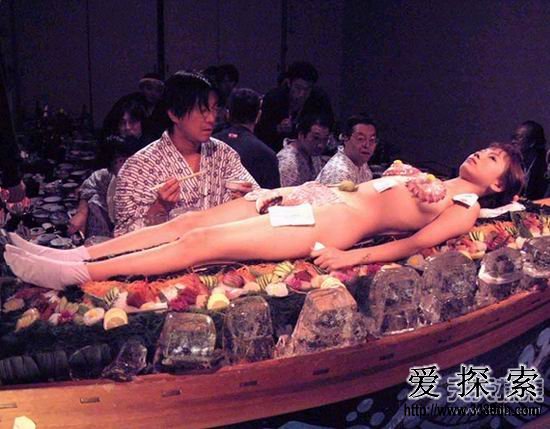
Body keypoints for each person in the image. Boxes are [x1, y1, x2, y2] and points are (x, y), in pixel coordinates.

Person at [4, 143, 524, 290]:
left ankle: (79, 273)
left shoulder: (464, 206)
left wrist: (348, 256)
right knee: (187, 222)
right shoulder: (432, 177)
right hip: (310, 195)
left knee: (203, 243)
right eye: (485, 148)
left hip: (332, 224)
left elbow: (412, 245)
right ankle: (74, 253)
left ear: (499, 184)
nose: (481, 154)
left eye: (494, 159)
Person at [113, 71, 258, 236]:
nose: (211, 118)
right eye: (202, 110)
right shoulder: (138, 167)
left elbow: (259, 199)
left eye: (214, 109)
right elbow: (123, 236)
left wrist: (244, 202)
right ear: (174, 114)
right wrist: (160, 207)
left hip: (223, 249)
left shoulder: (224, 155)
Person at [67, 136, 141, 238]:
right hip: (110, 235)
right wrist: (82, 212)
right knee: (94, 201)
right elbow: (90, 185)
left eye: (125, 159)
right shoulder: (107, 177)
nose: (124, 166)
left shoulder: (148, 178)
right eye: (117, 162)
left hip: (138, 235)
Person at [255, 61, 334, 152]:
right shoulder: (273, 98)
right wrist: (278, 128)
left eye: (307, 89)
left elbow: (329, 124)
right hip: (274, 148)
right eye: (298, 88)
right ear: (289, 83)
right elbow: (260, 130)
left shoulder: (319, 99)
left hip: (310, 149)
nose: (302, 94)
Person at [214, 88, 280, 189]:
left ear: (228, 114)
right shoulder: (267, 155)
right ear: (258, 116)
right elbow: (272, 196)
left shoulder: (206, 144)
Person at [317, 115, 376, 185]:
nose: (367, 145)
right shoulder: (338, 172)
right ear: (345, 138)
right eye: (360, 139)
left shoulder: (360, 162)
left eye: (372, 140)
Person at [277, 114, 332, 186]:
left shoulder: (313, 154)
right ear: (301, 135)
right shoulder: (287, 161)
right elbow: (286, 192)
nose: (320, 145)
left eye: (325, 139)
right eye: (316, 138)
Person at [511, 120, 548, 200]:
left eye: (518, 138)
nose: (513, 141)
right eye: (513, 137)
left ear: (532, 142)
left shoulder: (546, 163)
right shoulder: (514, 162)